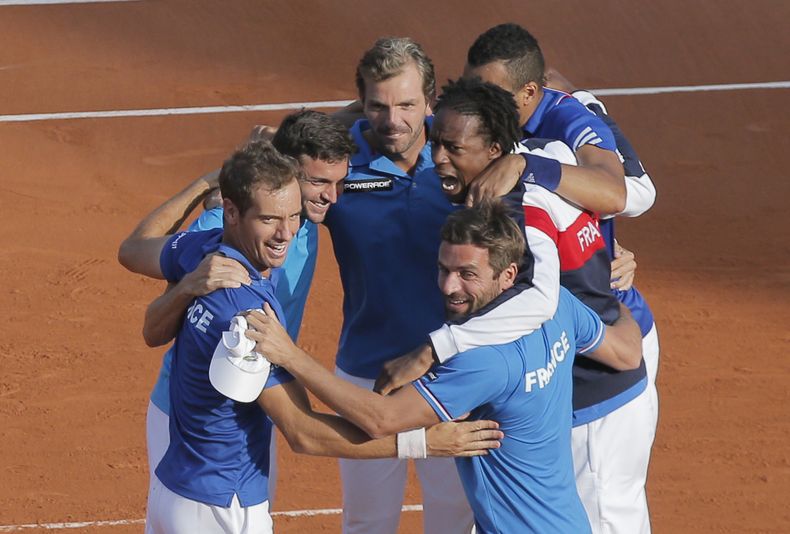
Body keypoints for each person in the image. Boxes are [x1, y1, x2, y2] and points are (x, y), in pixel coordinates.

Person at [121, 139, 502, 534]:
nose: (285, 233)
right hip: (221, 506)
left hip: (174, 490)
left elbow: (151, 325)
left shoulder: (203, 248)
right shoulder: (249, 317)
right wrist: (425, 443)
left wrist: (184, 286)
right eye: (269, 219)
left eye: (293, 216)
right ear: (231, 213)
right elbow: (304, 433)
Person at [244, 200, 643, 533]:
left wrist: (290, 354)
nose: (449, 287)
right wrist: (614, 298)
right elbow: (627, 353)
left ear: (507, 275)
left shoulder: (484, 362)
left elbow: (380, 419)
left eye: (467, 275)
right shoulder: (558, 307)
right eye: (444, 269)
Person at [323, 37, 568, 534]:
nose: (394, 121)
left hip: (455, 378)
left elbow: (554, 193)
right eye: (378, 105)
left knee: (454, 521)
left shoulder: (467, 152)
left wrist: (613, 250)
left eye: (408, 104)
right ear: (361, 104)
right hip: (364, 373)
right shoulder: (338, 162)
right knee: (366, 522)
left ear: (431, 99)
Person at [461, 23, 659, 533]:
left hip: (607, 339)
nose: (483, 102)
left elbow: (627, 193)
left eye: (495, 94)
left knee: (603, 508)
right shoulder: (484, 121)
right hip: (562, 349)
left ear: (532, 92)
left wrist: (530, 167)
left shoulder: (573, 116)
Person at [118, 110, 355, 506]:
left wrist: (360, 107)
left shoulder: (299, 220)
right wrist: (209, 181)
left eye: (338, 183)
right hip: (194, 417)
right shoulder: (223, 230)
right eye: (317, 182)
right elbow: (136, 259)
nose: (331, 196)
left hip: (253, 397)